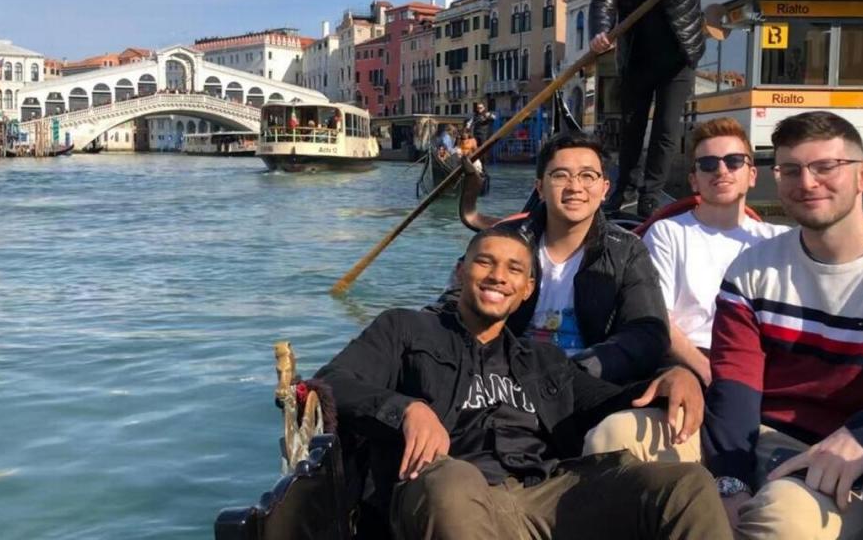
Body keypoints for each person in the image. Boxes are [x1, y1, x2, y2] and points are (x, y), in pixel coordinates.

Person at [315, 226, 731, 540]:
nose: (499, 276)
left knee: (686, 485)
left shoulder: (543, 360)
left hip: (543, 494)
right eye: (485, 262)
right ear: (460, 272)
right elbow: (331, 382)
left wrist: (672, 376)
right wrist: (406, 409)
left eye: (515, 269)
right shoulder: (405, 329)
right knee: (453, 480)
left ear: (527, 289)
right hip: (443, 489)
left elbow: (613, 400)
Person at [704, 111, 863, 539]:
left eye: (825, 167)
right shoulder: (753, 268)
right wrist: (729, 481)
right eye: (791, 170)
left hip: (861, 463)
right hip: (762, 438)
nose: (806, 182)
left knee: (780, 517)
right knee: (618, 436)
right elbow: (735, 384)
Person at [580, 117, 788, 463]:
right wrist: (714, 375)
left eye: (734, 161)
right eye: (708, 164)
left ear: (752, 174)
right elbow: (660, 321)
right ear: (694, 179)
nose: (721, 170)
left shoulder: (776, 241)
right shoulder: (669, 234)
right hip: (690, 362)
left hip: (758, 370)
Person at [459, 132, 671, 385]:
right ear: (540, 188)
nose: (575, 187)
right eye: (560, 175)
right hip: (504, 380)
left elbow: (647, 334)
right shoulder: (502, 241)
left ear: (604, 189)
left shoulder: (627, 251)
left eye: (587, 176)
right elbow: (454, 305)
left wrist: (575, 372)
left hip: (586, 385)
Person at [589, 0, 713, 219]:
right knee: (631, 127)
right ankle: (625, 189)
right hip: (637, 58)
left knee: (666, 128)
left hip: (678, 54)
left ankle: (651, 194)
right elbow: (603, 4)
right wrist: (601, 34)